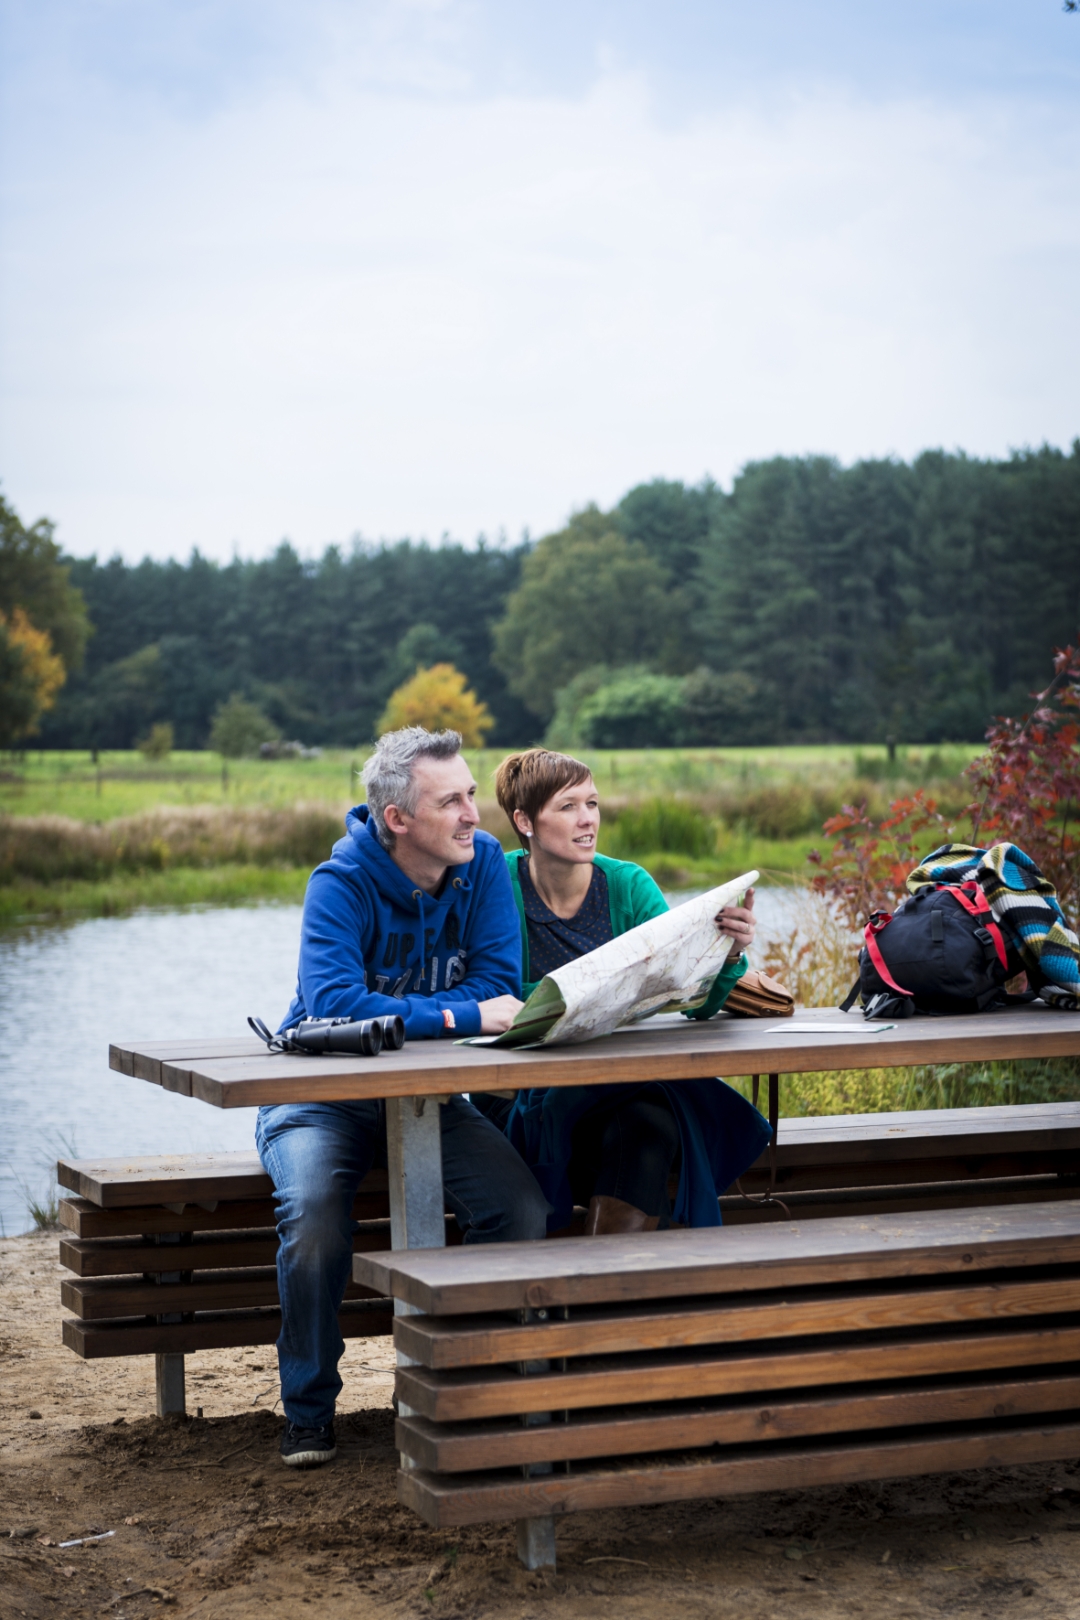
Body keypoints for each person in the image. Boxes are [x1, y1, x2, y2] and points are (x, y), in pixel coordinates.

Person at [256, 727, 550, 1469]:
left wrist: (419, 1015)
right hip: (317, 1099)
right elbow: (333, 1005)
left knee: (519, 1210)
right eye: (451, 802)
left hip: (425, 1099)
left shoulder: (483, 866)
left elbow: (499, 988)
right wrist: (452, 1017)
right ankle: (308, 1412)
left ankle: (442, 1384)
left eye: (471, 795)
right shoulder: (340, 881)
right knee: (314, 1218)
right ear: (397, 818)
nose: (473, 814)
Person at [487, 747, 772, 1235]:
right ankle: (610, 1273)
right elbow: (494, 992)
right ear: (524, 821)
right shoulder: (496, 883)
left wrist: (726, 954)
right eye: (568, 806)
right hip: (518, 1091)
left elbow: (693, 1000)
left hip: (620, 1081)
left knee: (646, 1124)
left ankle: (606, 1276)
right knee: (648, 1125)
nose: (588, 819)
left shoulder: (628, 884)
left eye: (592, 803)